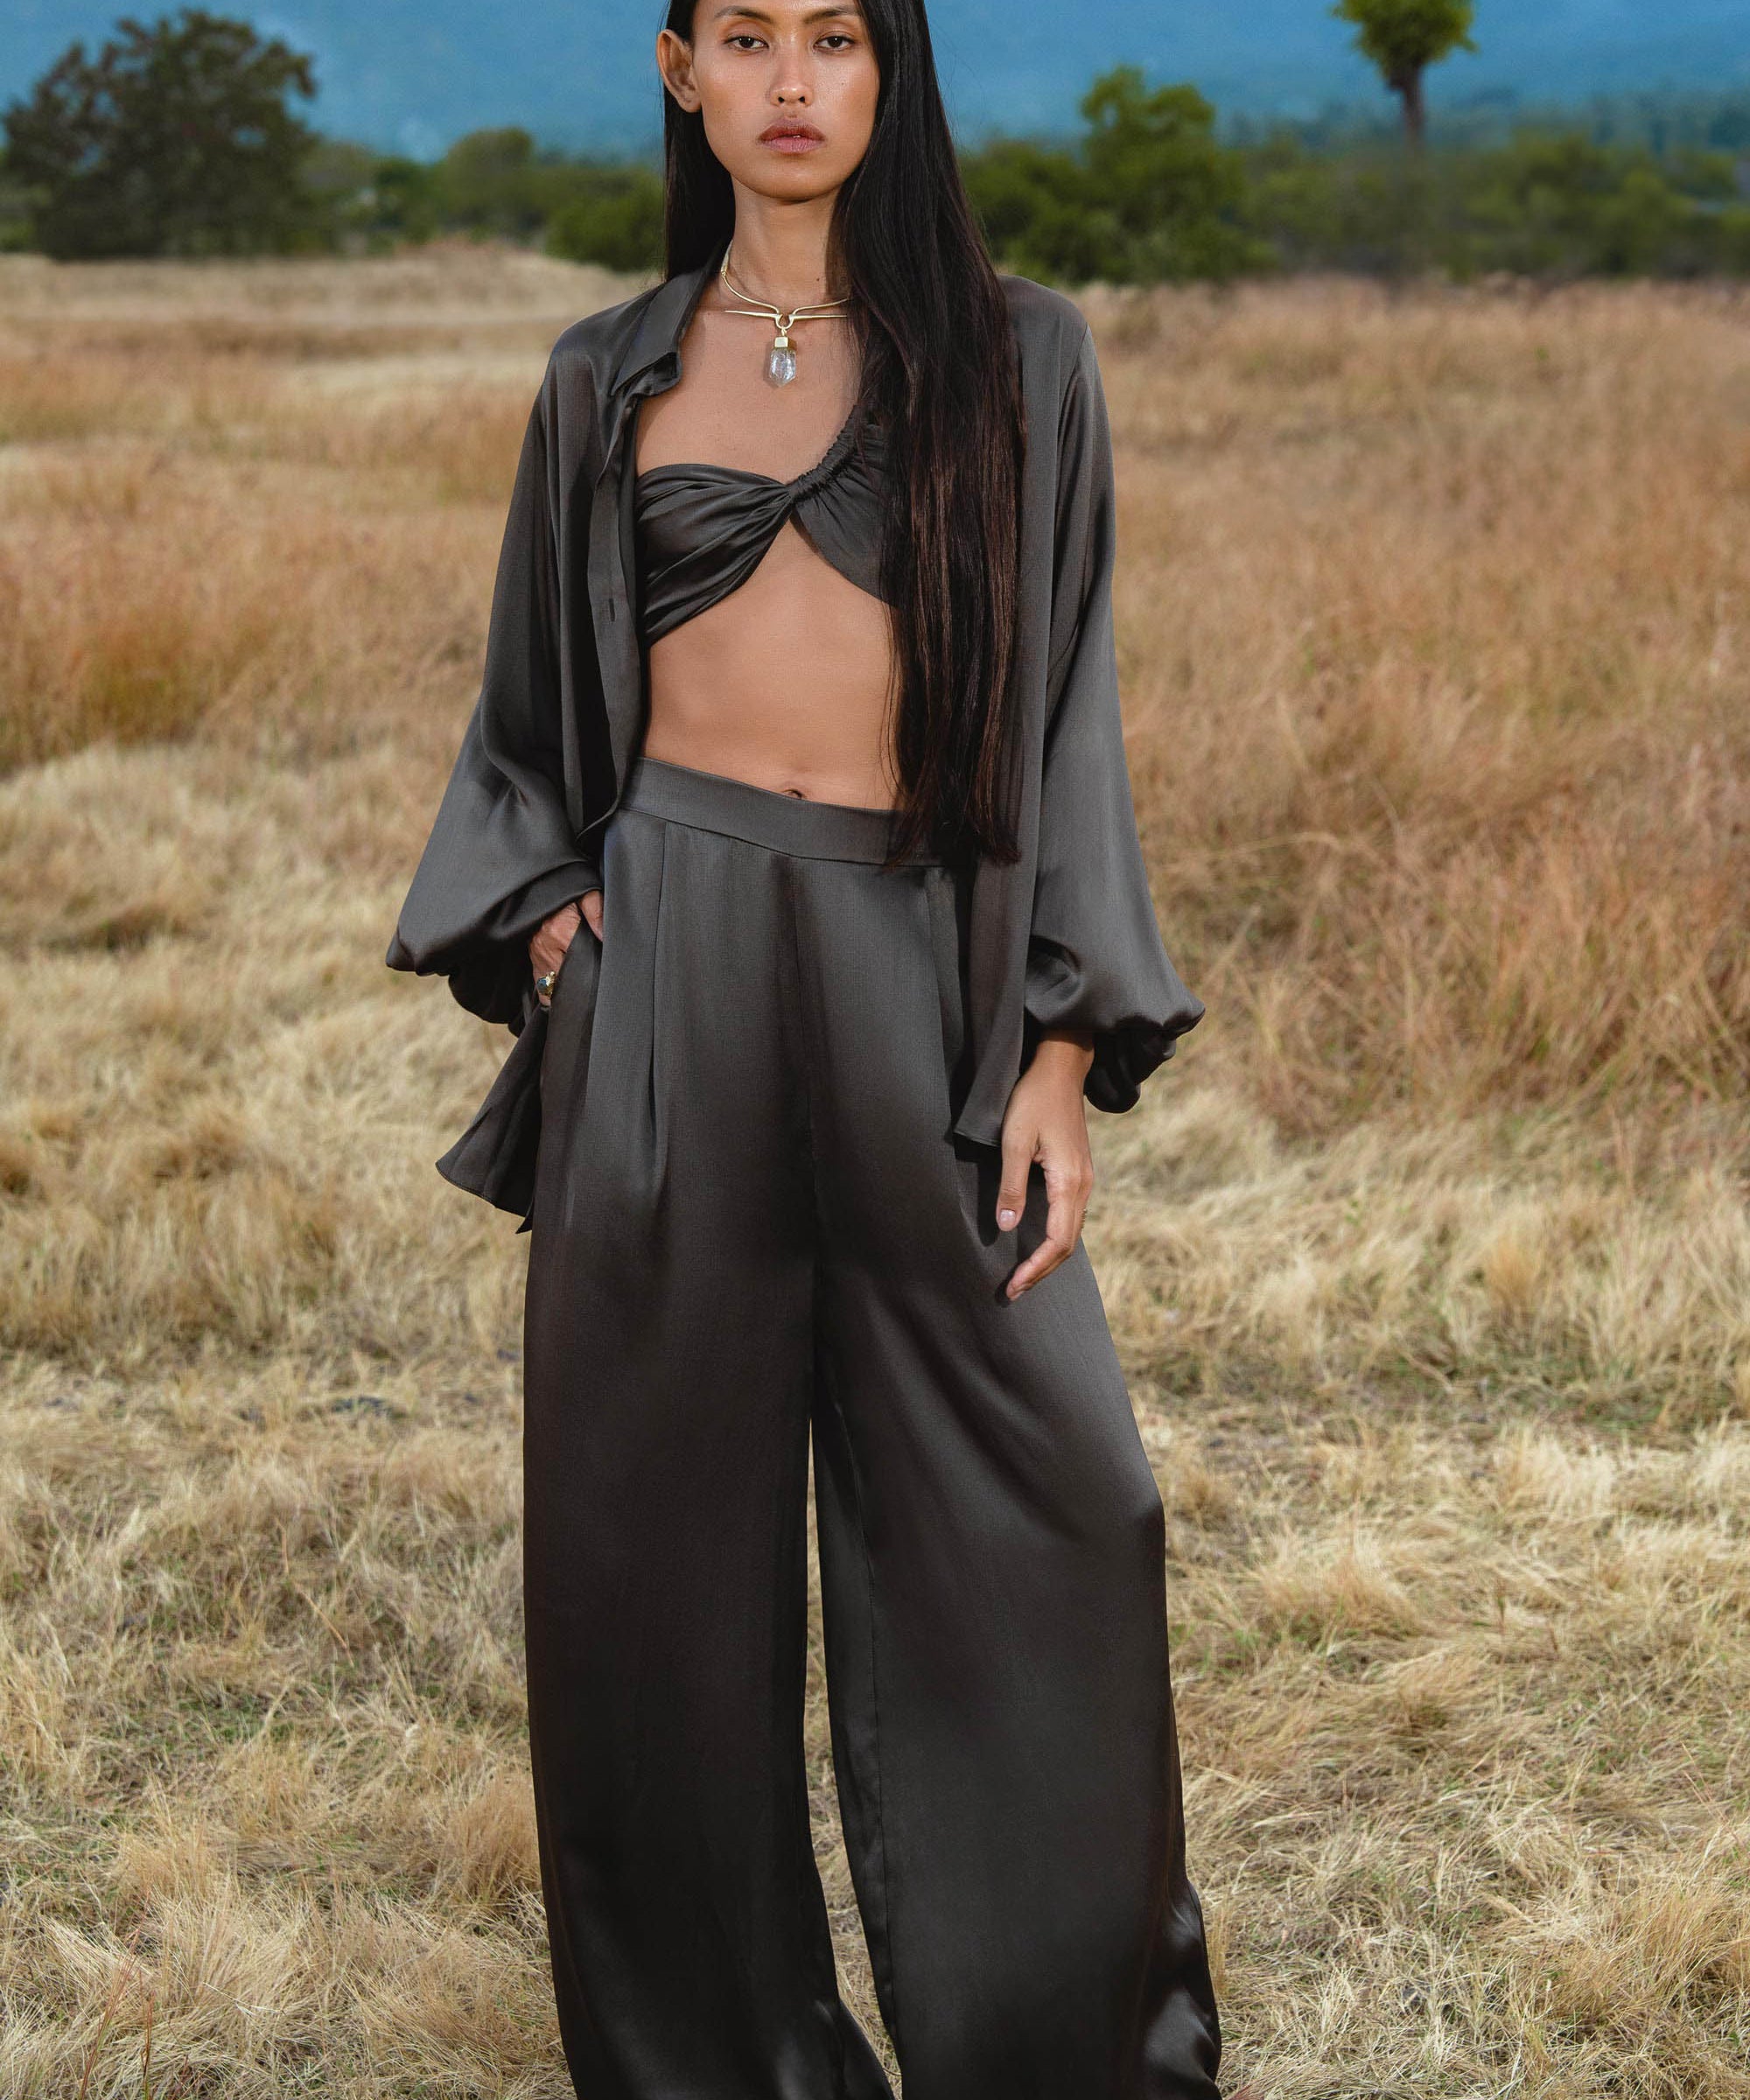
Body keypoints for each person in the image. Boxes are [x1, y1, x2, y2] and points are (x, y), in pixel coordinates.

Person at [386, 2, 1231, 2094]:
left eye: (835, 36)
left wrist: (1057, 1037)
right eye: (744, 34)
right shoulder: (606, 375)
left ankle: (1068, 2057)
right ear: (675, 66)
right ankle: (711, 2062)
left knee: (1057, 1504)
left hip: (921, 967)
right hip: (664, 966)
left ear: (887, 74)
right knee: (643, 1560)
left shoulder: (1021, 361)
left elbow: (1070, 720)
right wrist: (554, 915)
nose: (790, 80)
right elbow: (523, 713)